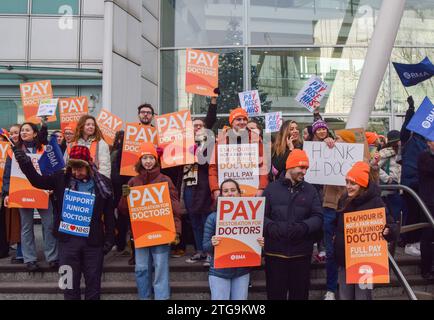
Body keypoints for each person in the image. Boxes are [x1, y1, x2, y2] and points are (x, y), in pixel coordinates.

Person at [13, 144, 115, 299]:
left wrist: (109, 240)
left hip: (93, 243)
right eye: (73, 168)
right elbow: (38, 182)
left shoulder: (104, 184)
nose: (76, 172)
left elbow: (108, 215)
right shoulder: (61, 178)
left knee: (93, 285)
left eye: (80, 168)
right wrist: (25, 163)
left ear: (89, 165)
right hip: (67, 243)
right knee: (68, 286)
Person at [118, 142, 182, 300]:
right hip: (141, 234)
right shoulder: (133, 181)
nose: (148, 161)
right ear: (140, 160)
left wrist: (177, 231)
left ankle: (162, 298)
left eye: (151, 158)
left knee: (160, 268)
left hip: (162, 232)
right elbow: (124, 211)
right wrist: (125, 197)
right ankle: (144, 297)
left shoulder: (165, 180)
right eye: (145, 158)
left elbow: (175, 207)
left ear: (156, 160)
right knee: (141, 268)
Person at [263, 149, 323, 300]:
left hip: (301, 254)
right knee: (275, 295)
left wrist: (304, 226)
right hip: (275, 253)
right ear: (290, 166)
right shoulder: (271, 189)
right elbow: (260, 216)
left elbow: (318, 217)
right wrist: (270, 226)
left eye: (306, 169)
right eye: (301, 168)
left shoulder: (311, 190)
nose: (304, 172)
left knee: (300, 295)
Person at [334, 161, 398, 300]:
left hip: (365, 263)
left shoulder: (376, 202)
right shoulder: (343, 200)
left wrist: (388, 230)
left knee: (363, 297)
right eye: (347, 182)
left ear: (362, 185)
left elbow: (392, 225)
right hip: (344, 259)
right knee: (344, 296)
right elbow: (336, 225)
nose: (348, 187)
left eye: (353, 183)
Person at [3, 122, 58, 271]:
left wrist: (53, 186)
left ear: (35, 133)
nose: (23, 133)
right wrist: (7, 194)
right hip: (22, 192)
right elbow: (8, 174)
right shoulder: (13, 151)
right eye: (22, 130)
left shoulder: (45, 149)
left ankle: (52, 258)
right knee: (26, 227)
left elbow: (54, 169)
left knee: (49, 224)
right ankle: (30, 259)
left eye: (27, 130)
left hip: (43, 191)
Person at [203, 179, 264, 300]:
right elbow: (205, 246)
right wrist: (212, 243)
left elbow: (256, 250)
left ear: (239, 193)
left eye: (233, 190)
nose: (230, 193)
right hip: (219, 272)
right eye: (225, 191)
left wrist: (260, 245)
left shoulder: (251, 216)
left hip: (242, 272)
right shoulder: (213, 217)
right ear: (221, 195)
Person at [183, 95, 218, 264]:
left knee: (206, 220)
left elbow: (211, 118)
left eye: (200, 125)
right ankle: (199, 250)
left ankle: (209, 252)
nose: (197, 127)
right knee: (194, 219)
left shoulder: (209, 143)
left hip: (204, 185)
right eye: (194, 125)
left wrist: (213, 101)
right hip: (189, 184)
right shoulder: (183, 144)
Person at [209, 107, 268, 199]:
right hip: (227, 195)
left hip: (252, 193)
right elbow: (213, 168)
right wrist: (215, 190)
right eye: (238, 119)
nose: (242, 122)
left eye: (245, 119)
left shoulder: (256, 140)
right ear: (231, 122)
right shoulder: (221, 141)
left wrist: (261, 188)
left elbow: (263, 167)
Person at [400, 96, 427, 257]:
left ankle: (417, 241)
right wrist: (411, 110)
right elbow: (405, 128)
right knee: (412, 213)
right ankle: (410, 242)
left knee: (421, 213)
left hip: (424, 183)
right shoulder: (409, 137)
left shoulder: (427, 141)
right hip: (410, 183)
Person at [2, 124, 23, 263]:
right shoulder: (10, 151)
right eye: (11, 133)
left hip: (32, 191)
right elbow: (7, 175)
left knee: (26, 224)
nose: (13, 135)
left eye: (16, 132)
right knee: (18, 224)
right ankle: (21, 252)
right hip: (15, 191)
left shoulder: (33, 148)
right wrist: (6, 193)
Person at [417, 138, 434, 279]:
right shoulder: (424, 156)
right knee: (427, 236)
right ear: (428, 142)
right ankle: (426, 268)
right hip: (428, 202)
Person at [378, 130, 403, 222]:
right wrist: (387, 179)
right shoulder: (385, 152)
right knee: (392, 216)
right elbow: (374, 166)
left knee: (399, 216)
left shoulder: (402, 151)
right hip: (390, 189)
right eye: (398, 140)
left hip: (401, 188)